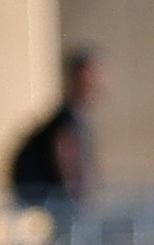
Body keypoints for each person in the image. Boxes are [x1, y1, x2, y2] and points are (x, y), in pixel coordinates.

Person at [6, 43, 103, 213]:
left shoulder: (74, 115)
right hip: (52, 197)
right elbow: (64, 153)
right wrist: (77, 194)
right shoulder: (67, 117)